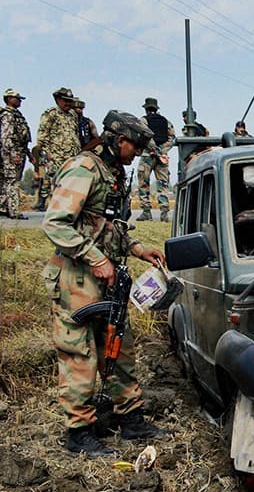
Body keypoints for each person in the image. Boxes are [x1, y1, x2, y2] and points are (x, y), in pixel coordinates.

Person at [41, 110, 167, 457]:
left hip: (107, 278)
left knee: (117, 345)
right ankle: (79, 433)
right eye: (136, 147)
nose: (138, 154)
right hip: (76, 280)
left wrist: (139, 249)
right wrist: (96, 258)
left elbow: (109, 227)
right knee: (79, 354)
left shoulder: (112, 173)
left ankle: (131, 418)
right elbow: (55, 224)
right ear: (119, 140)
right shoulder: (83, 168)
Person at [36, 87, 81, 211]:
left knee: (73, 187)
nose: (68, 103)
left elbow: (75, 134)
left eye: (70, 101)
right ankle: (55, 215)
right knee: (57, 187)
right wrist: (47, 155)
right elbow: (42, 137)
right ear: (57, 100)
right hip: (56, 158)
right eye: (65, 100)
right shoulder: (50, 114)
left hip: (73, 158)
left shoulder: (73, 115)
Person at [136, 97, 175, 222]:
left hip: (148, 155)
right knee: (163, 185)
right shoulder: (166, 121)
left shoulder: (143, 120)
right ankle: (164, 213)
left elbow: (145, 137)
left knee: (143, 183)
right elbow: (172, 138)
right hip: (162, 158)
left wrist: (155, 151)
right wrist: (162, 152)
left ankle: (146, 212)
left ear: (147, 109)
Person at [0, 88, 33, 219]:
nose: (20, 101)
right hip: (10, 154)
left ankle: (3, 208)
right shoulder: (7, 115)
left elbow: (22, 139)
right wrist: (13, 155)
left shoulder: (17, 115)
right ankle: (14, 211)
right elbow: (6, 137)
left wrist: (29, 155)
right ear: (9, 99)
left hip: (19, 152)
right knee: (12, 182)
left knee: (7, 181)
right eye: (17, 98)